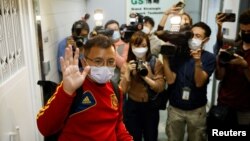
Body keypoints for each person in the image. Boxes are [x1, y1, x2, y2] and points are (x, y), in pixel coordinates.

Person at [37, 35, 133, 141]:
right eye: (98, 61)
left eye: (110, 62)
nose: (105, 66)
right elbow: (45, 128)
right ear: (84, 62)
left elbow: (117, 124)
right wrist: (66, 91)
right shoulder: (71, 88)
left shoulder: (115, 90)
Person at [163, 22, 216, 141]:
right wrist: (165, 59)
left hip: (196, 110)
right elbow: (170, 80)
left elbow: (199, 83)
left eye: (198, 36)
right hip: (175, 108)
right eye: (192, 35)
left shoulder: (209, 58)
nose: (193, 38)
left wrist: (197, 62)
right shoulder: (177, 54)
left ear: (206, 40)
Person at [119, 31, 165, 141]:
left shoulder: (155, 62)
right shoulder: (127, 64)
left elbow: (160, 87)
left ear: (148, 47)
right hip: (132, 107)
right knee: (133, 137)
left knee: (151, 137)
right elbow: (122, 90)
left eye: (143, 46)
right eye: (136, 45)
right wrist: (128, 73)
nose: (140, 49)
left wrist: (145, 76)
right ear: (131, 47)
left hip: (151, 107)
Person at [215, 9, 250, 133]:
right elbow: (220, 76)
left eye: (249, 31)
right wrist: (220, 62)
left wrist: (245, 66)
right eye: (243, 31)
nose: (246, 33)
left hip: (245, 109)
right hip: (224, 104)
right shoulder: (233, 47)